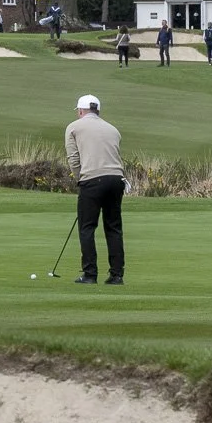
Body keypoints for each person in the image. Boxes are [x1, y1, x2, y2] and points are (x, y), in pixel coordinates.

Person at [65, 94, 126, 284]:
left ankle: (90, 274)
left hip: (92, 180)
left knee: (87, 227)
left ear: (81, 111)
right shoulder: (113, 129)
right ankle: (117, 275)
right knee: (113, 227)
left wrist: (80, 180)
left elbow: (74, 159)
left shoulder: (74, 127)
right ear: (97, 110)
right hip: (117, 180)